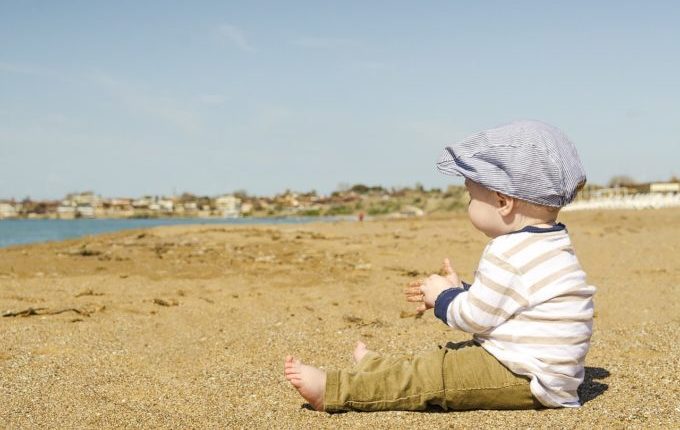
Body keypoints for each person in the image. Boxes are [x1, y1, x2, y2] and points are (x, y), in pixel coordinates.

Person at [284, 120, 595, 412]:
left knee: (435, 375)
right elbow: (510, 303)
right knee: (447, 357)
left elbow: (475, 318)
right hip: (548, 373)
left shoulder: (506, 251)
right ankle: (378, 367)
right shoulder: (552, 243)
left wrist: (442, 298)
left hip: (525, 377)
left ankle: (336, 390)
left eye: (472, 196)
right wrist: (461, 290)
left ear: (503, 202)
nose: (468, 204)